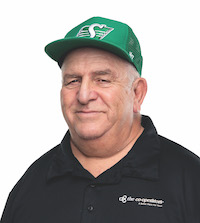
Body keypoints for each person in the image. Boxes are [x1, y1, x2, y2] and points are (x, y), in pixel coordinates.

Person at [1, 16, 200, 223]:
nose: (84, 95)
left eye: (102, 80)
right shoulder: (31, 184)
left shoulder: (191, 180)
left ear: (137, 93)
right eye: (73, 80)